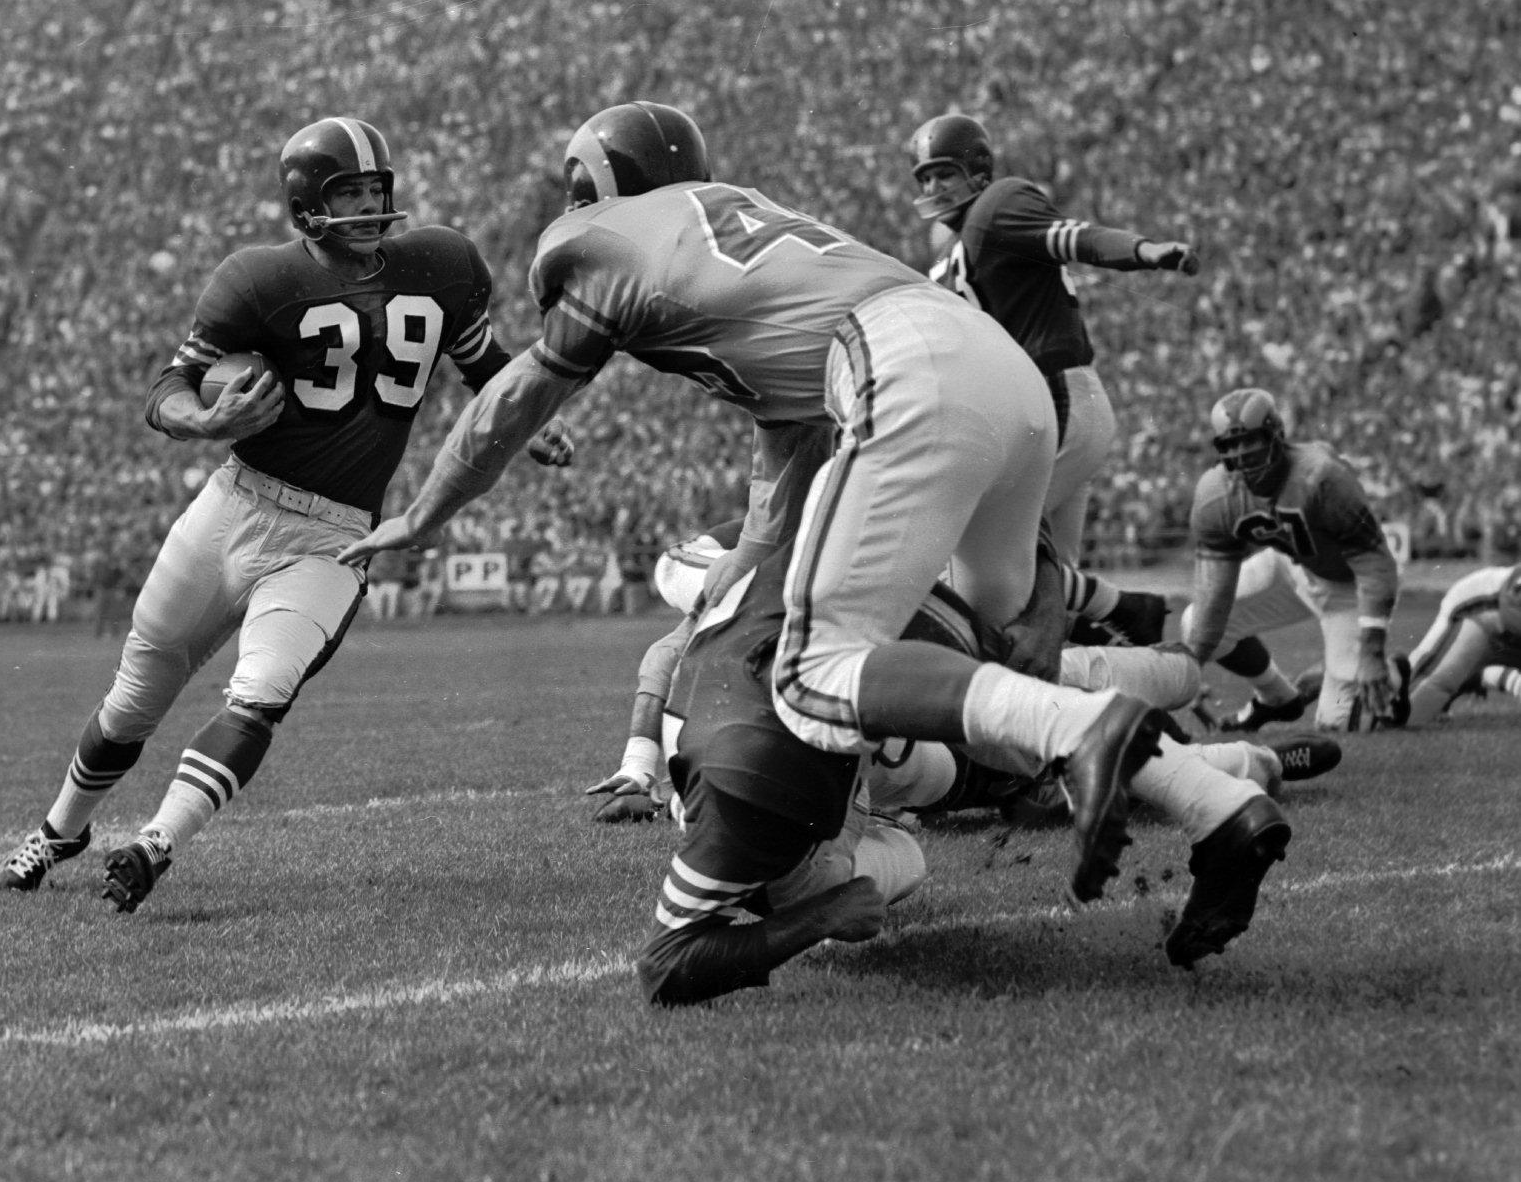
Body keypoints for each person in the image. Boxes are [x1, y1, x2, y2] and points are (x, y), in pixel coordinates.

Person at [344, 99, 1198, 907]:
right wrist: (754, 553)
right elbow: (788, 427)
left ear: (592, 185)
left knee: (818, 664)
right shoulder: (762, 228)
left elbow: (517, 397)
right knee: (999, 647)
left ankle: (966, 778)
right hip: (992, 365)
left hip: (901, 371)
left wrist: (425, 513)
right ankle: (1203, 748)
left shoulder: (602, 237)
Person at [0, 116, 572, 910]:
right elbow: (168, 387)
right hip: (234, 505)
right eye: (351, 193)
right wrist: (203, 420)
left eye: (378, 190)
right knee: (136, 696)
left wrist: (524, 417)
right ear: (306, 208)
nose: (371, 207)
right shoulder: (258, 280)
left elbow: (482, 363)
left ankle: (156, 844)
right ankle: (62, 829)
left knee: (259, 692)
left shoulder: (442, 265)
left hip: (335, 535)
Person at [617, 530, 1294, 1005]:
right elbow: (665, 967)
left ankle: (1197, 732)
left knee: (1014, 712)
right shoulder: (755, 800)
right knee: (998, 736)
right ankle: (1204, 747)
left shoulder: (767, 569)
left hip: (822, 692)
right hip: (809, 749)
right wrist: (815, 922)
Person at [909, 113, 1199, 645]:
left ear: (977, 173)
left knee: (985, 567)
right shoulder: (951, 246)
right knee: (1046, 598)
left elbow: (1075, 237)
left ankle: (1130, 612)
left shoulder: (997, 207)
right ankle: (1146, 664)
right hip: (1041, 408)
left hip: (1056, 399)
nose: (933, 188)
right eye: (924, 178)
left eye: (944, 174)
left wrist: (1142, 251)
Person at [1180, 388, 1403, 733]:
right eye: (1231, 445)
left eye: (1250, 441)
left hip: (1347, 585)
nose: (1241, 455)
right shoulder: (1216, 493)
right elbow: (1215, 593)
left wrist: (1372, 651)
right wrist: (1188, 671)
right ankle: (1276, 698)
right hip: (1292, 567)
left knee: (1339, 722)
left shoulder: (1321, 477)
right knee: (1195, 621)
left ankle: (1395, 672)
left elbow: (1374, 559)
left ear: (1276, 435)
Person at [1390, 562, 1521, 727]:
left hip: (1509, 618)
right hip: (1481, 608)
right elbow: (1513, 594)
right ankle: (1387, 684)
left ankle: (1479, 674)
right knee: (1411, 710)